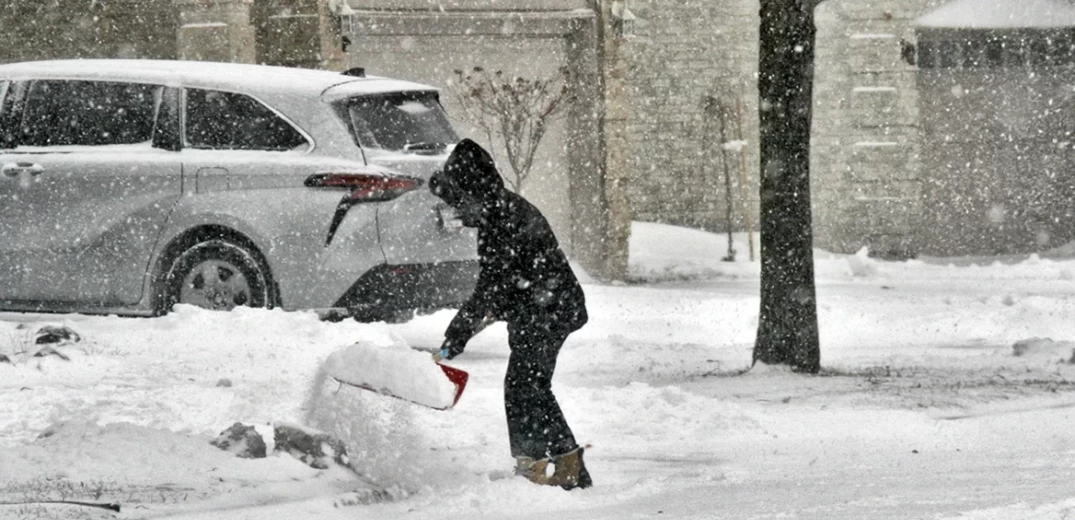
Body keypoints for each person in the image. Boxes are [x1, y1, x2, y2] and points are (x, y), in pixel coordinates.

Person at [429, 138, 592, 490]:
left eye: (460, 202)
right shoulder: (497, 212)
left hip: (550, 308)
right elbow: (497, 287)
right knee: (527, 386)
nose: (458, 212)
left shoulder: (504, 218)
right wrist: (461, 331)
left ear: (474, 191)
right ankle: (558, 464)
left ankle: (544, 466)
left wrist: (457, 333)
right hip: (538, 307)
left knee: (526, 386)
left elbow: (492, 287)